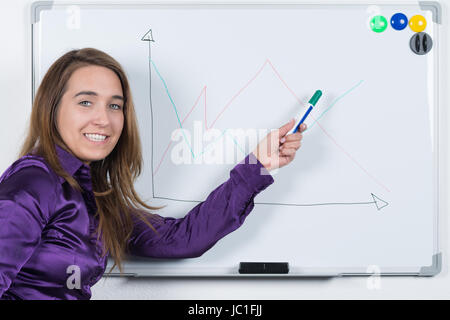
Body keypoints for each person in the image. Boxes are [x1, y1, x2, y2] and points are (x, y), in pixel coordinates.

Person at [0, 48, 306, 300]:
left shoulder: (94, 198)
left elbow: (181, 239)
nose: (103, 119)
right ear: (51, 109)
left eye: (115, 106)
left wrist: (257, 165)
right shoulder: (34, 183)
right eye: (85, 102)